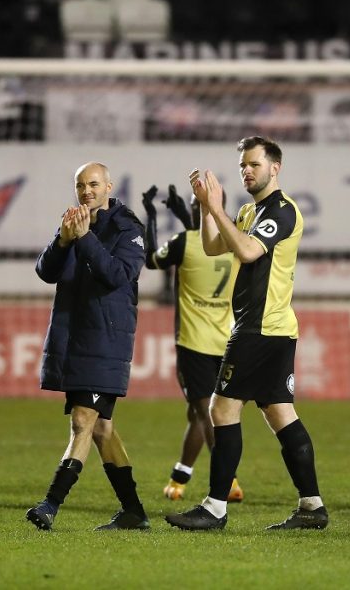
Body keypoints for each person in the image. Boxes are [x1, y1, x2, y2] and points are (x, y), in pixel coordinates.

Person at [165, 136, 328, 531]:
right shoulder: (248, 211)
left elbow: (250, 252)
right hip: (273, 329)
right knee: (279, 413)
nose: (247, 171)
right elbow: (211, 246)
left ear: (275, 167)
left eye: (254, 164)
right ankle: (312, 506)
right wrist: (207, 208)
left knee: (221, 409)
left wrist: (217, 208)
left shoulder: (282, 211)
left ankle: (215, 507)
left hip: (259, 328)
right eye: (242, 166)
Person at [26, 162, 150, 531]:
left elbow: (118, 275)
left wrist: (83, 239)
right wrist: (63, 240)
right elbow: (46, 271)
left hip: (106, 339)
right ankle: (133, 511)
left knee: (83, 421)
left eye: (94, 184)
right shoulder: (76, 222)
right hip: (75, 336)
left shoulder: (128, 228)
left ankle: (50, 504)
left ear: (109, 185)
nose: (87, 191)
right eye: (80, 185)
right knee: (101, 430)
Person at [141, 184, 244, 503]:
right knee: (198, 414)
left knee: (205, 412)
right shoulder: (235, 242)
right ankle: (180, 476)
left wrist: (152, 215)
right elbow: (205, 236)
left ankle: (228, 481)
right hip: (227, 341)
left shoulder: (184, 243)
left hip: (193, 343)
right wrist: (183, 212)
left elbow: (151, 260)